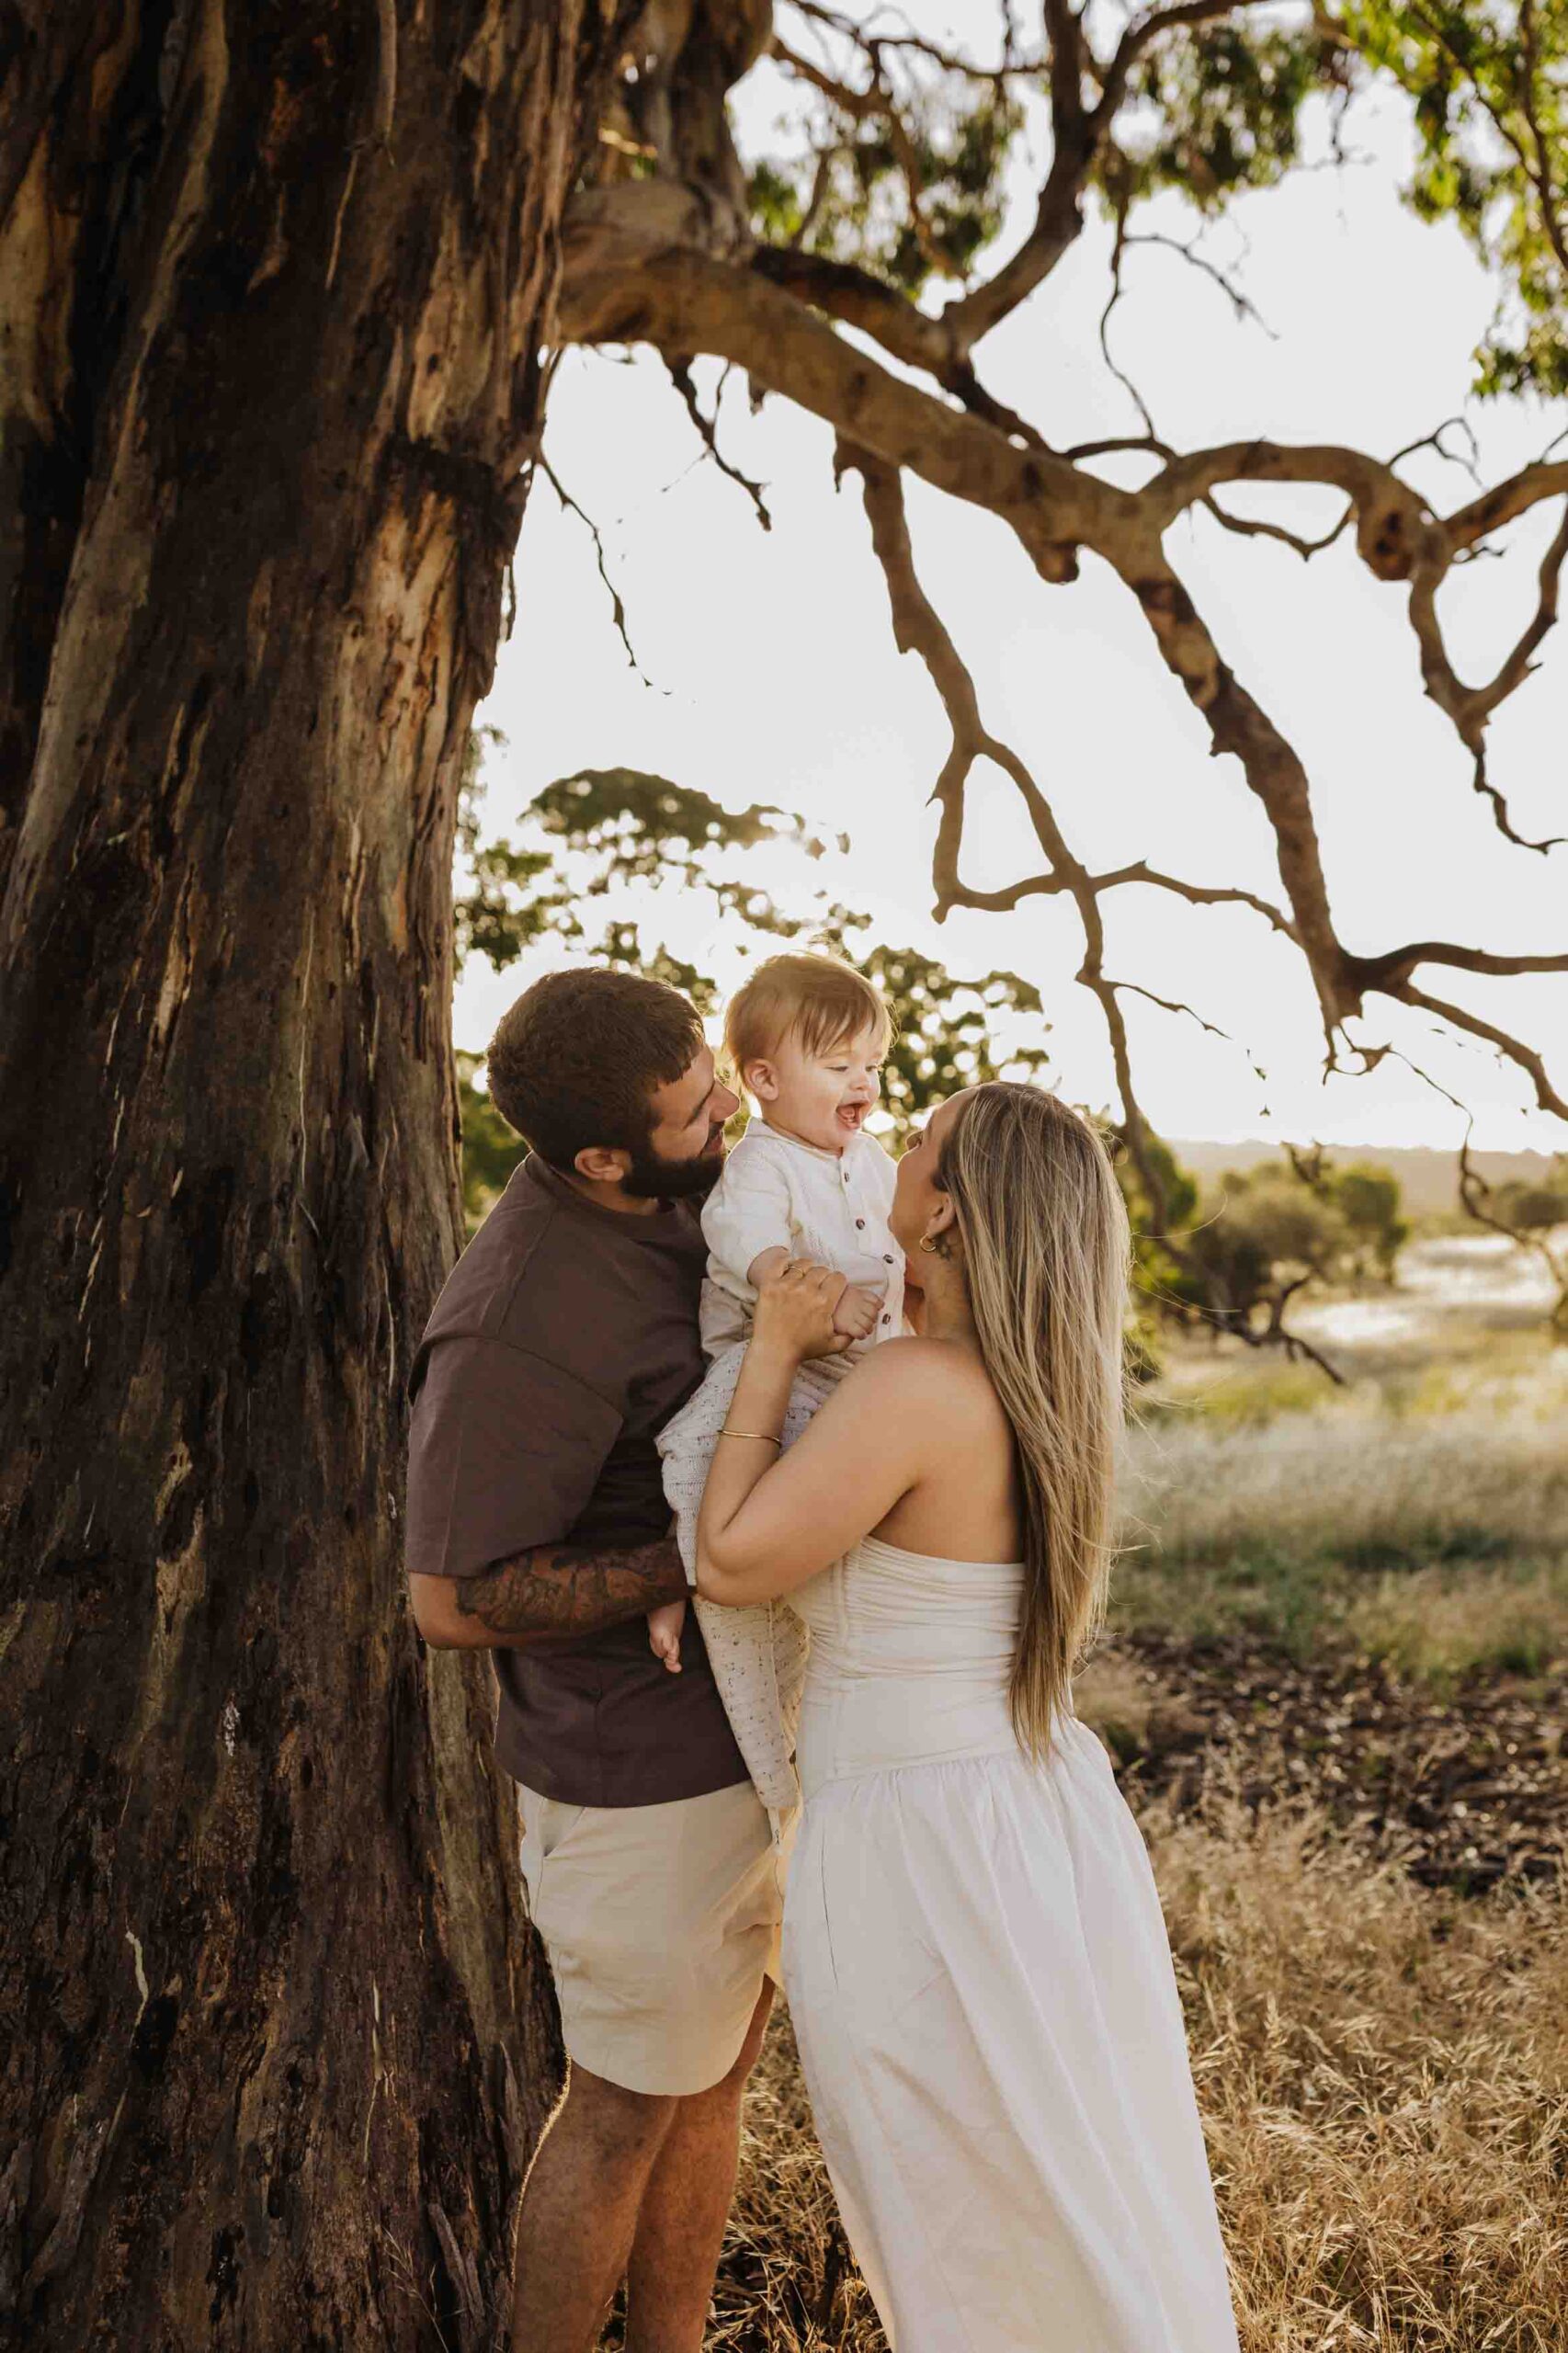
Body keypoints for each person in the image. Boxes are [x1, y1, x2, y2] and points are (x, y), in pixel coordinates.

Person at [695, 1081, 1241, 2353]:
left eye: (921, 1142)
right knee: (1064, 2191)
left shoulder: (923, 1386)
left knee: (975, 2227)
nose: (891, 1144)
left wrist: (771, 1352)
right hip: (1024, 1814)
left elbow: (728, 1559)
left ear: (942, 1206)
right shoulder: (1038, 1380)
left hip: (922, 1844)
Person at [403, 968, 784, 2353]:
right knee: (621, 2108)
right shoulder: (518, 1317)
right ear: (602, 1157)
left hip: (737, 1741)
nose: (727, 1105)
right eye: (697, 1105)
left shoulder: (687, 1200)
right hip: (631, 1780)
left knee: (713, 2081)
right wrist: (702, 1556)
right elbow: (450, 1598)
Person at [647, 950, 904, 1694]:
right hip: (761, 1360)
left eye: (873, 1063)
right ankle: (676, 1582)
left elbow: (898, 1242)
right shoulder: (762, 1163)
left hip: (850, 1364)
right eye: (839, 1065)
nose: (863, 1082)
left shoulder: (871, 1157)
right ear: (763, 1081)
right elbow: (744, 1236)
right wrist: (802, 1291)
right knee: (706, 1461)